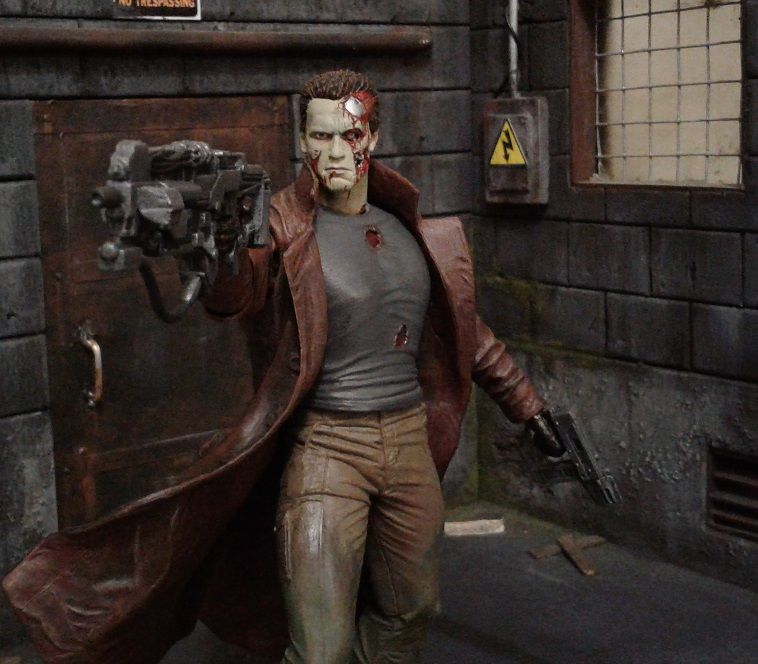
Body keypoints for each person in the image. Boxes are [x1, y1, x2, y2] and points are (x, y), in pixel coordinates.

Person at [2, 70, 559, 664]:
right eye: (320, 137)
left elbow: (467, 334)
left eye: (349, 135)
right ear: (302, 141)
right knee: (319, 648)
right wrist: (216, 253)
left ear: (372, 138)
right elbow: (235, 295)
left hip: (408, 447)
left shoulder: (409, 228)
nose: (334, 152)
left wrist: (529, 408)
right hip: (328, 451)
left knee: (410, 611)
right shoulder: (280, 227)